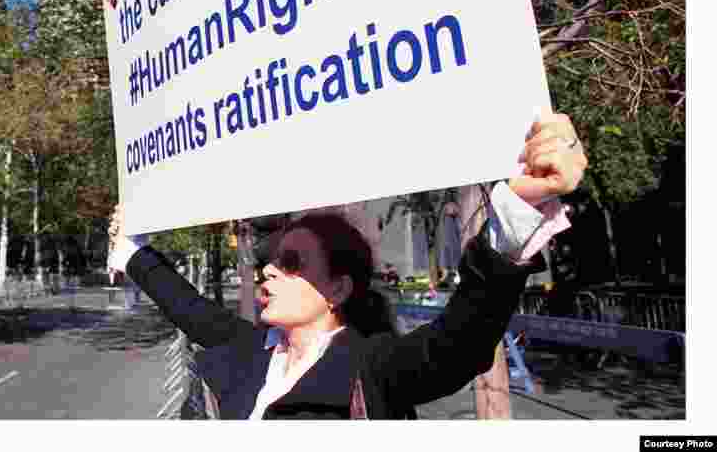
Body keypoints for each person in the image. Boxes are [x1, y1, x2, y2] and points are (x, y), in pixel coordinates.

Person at [107, 111, 587, 419]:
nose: (269, 271)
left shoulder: (375, 367)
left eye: (291, 263)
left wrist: (518, 208)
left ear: (337, 289)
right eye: (271, 261)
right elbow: (183, 303)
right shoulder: (247, 347)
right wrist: (130, 248)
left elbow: (459, 342)